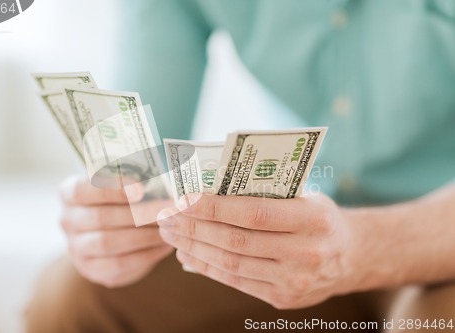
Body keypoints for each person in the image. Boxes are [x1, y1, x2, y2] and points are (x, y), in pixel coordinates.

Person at [26, 1, 455, 332]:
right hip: (316, 226)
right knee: (71, 297)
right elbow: (136, 163)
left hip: (441, 243)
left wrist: (359, 249)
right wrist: (106, 221)